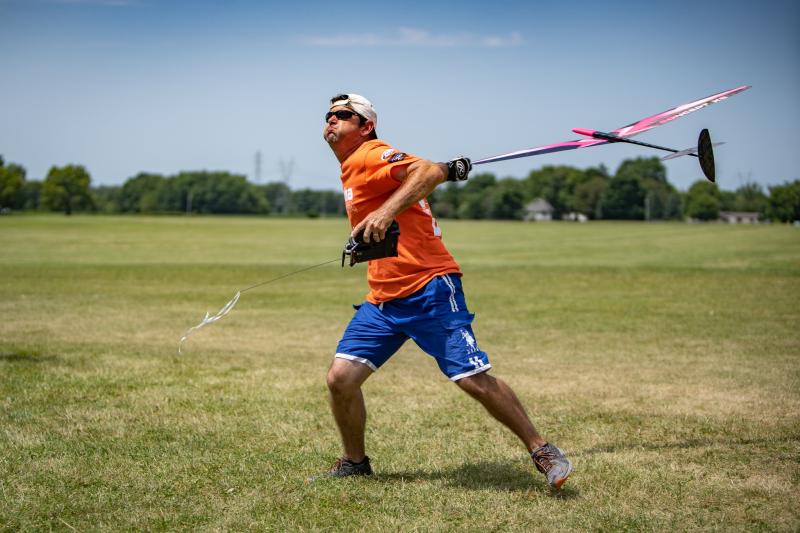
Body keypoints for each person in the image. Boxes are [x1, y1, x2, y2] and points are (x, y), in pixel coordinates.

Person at [317, 93, 572, 489]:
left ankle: (542, 449)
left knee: (471, 377)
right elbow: (433, 173)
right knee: (341, 379)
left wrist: (386, 211)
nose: (332, 120)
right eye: (329, 115)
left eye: (344, 115)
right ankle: (355, 463)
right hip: (383, 298)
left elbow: (426, 171)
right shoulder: (351, 166)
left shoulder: (371, 154)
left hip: (429, 287)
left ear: (366, 126)